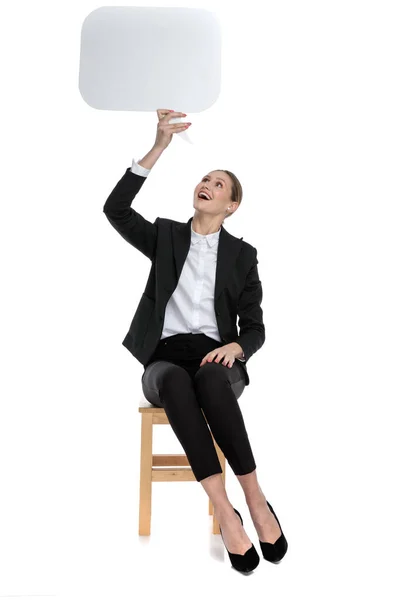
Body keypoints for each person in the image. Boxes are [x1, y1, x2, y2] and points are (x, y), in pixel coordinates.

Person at [103, 109, 288, 572]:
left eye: (219, 184)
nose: (207, 183)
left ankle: (255, 499)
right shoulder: (166, 237)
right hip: (163, 362)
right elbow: (116, 210)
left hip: (217, 362)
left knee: (208, 378)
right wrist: (159, 146)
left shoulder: (243, 256)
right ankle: (225, 511)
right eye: (205, 178)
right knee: (178, 381)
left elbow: (256, 328)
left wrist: (237, 348)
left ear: (232, 206)